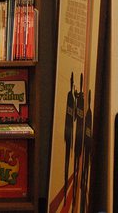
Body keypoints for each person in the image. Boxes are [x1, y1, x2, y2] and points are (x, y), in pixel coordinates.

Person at [72, 74, 85, 208]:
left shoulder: (80, 100)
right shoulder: (80, 100)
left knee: (78, 161)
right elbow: (76, 117)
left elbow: (75, 117)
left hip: (79, 136)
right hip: (78, 136)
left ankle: (78, 187)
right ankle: (77, 188)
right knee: (78, 161)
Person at [64, 72, 75, 203]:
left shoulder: (70, 96)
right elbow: (73, 117)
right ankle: (67, 193)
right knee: (68, 159)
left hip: (70, 132)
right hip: (70, 132)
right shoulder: (70, 96)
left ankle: (67, 194)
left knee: (68, 159)